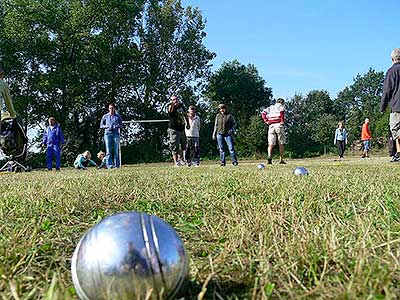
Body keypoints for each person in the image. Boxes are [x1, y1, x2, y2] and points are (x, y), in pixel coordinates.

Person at [381, 48, 400, 162]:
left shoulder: (391, 71)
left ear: (392, 58)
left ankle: (399, 153)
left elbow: (387, 90)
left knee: (396, 130)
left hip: (397, 106)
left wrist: (382, 107)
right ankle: (398, 153)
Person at [262, 98, 286, 164]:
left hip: (271, 125)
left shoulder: (271, 107)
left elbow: (263, 113)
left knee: (271, 143)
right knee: (281, 143)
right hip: (279, 125)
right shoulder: (281, 106)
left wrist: (266, 120)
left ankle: (269, 157)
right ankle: (281, 160)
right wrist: (282, 121)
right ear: (282, 102)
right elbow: (282, 113)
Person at [167, 95, 189, 166]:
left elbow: (185, 115)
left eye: (176, 99)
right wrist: (172, 104)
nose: (175, 101)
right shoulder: (171, 106)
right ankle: (176, 162)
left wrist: (188, 123)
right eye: (173, 100)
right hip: (173, 129)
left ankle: (181, 159)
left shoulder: (182, 106)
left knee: (183, 145)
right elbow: (170, 110)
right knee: (175, 146)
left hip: (181, 128)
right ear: (171, 101)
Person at [100, 103, 123, 168]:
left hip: (115, 134)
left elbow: (121, 125)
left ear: (114, 109)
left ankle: (117, 165)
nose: (111, 109)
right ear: (108, 109)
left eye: (112, 108)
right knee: (108, 150)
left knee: (116, 150)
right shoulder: (105, 116)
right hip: (107, 134)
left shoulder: (118, 116)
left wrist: (116, 126)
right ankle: (109, 166)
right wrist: (107, 126)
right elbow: (101, 125)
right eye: (110, 108)